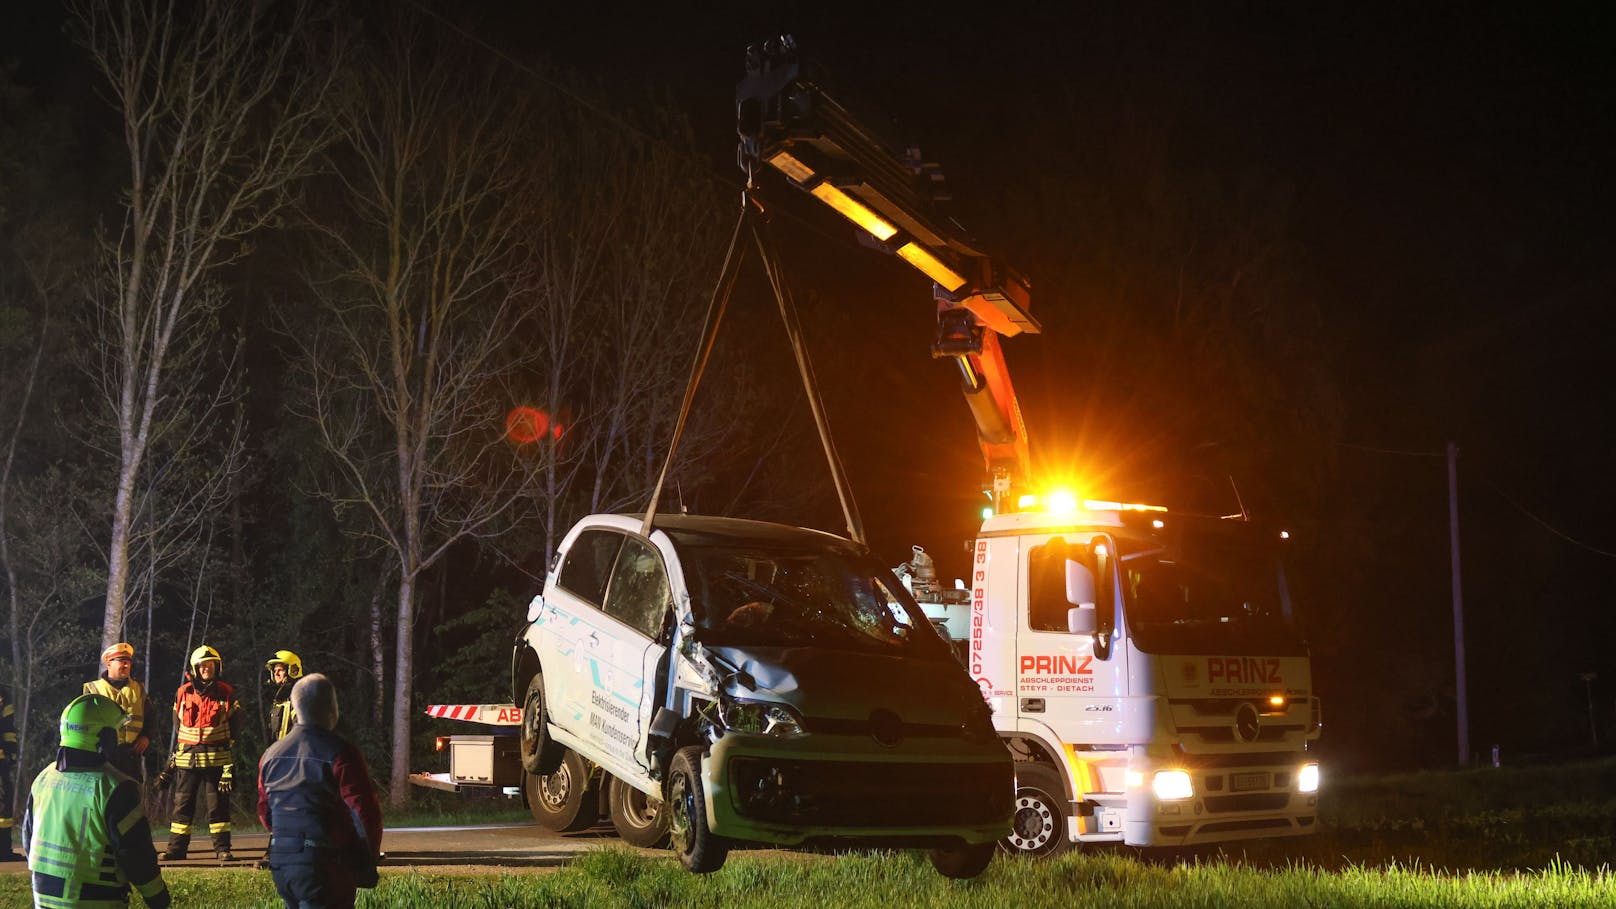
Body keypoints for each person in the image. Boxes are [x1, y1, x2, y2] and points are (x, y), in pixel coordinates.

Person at [22, 694, 170, 908]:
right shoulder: (115, 788)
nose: (118, 739)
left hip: (44, 899)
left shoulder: (43, 779)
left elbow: (28, 840)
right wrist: (158, 898)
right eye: (115, 732)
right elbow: (137, 854)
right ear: (103, 737)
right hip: (97, 899)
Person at [258, 674, 382, 909]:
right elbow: (364, 812)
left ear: (295, 709)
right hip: (324, 867)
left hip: (282, 864)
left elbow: (265, 813)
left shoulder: (270, 755)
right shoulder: (341, 753)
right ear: (332, 707)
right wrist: (366, 861)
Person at [160, 644, 242, 862]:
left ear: (217, 667)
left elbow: (236, 721)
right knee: (182, 806)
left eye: (210, 665)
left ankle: (222, 850)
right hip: (188, 758)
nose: (206, 668)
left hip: (216, 758)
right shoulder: (183, 692)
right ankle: (176, 850)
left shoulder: (226, 692)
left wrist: (227, 746)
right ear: (195, 668)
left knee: (218, 808)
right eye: (202, 665)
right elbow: (177, 723)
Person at [83, 643, 156, 782]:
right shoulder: (92, 689)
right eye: (122, 661)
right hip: (101, 755)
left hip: (130, 756)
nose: (127, 665)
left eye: (128, 662)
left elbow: (151, 716)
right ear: (109, 664)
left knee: (132, 797)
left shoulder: (138, 689)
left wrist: (146, 736)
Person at [264, 650, 304, 742]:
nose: (276, 674)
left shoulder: (298, 697)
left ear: (293, 670)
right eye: (274, 671)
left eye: (280, 670)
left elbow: (300, 732)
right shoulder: (279, 699)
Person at [0, 684, 19, 861]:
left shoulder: (2, 693)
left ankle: (3, 850)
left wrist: (11, 752)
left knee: (3, 807)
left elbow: (8, 727)